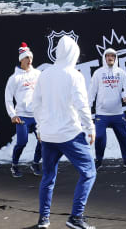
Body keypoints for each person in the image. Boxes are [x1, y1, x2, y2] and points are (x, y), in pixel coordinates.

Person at [31, 36, 97, 229]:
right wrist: (90, 127)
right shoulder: (74, 75)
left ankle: (43, 219)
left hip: (48, 136)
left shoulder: (44, 74)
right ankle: (76, 217)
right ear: (73, 53)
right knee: (89, 172)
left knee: (48, 177)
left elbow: (36, 105)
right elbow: (82, 105)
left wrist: (40, 128)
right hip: (70, 134)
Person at [88, 48, 126, 170]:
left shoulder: (121, 72)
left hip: (118, 113)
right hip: (102, 113)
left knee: (123, 137)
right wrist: (88, 107)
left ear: (115, 58)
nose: (110, 58)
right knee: (99, 137)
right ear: (104, 58)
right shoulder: (98, 73)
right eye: (108, 56)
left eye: (112, 56)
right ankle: (98, 160)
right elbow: (92, 91)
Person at [5, 43, 42, 178]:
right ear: (21, 59)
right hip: (22, 115)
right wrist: (12, 114)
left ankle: (36, 163)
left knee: (43, 140)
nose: (29, 60)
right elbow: (8, 98)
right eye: (26, 57)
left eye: (30, 57)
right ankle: (14, 165)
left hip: (37, 115)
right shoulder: (14, 78)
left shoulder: (38, 74)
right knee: (22, 142)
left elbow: (44, 92)